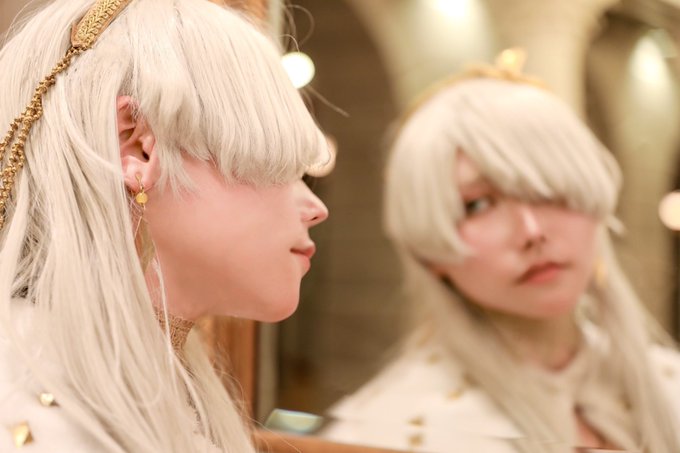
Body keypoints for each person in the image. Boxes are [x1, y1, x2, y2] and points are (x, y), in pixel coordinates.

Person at [0, 0, 328, 451]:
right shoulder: (41, 419)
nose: (315, 208)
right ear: (136, 147)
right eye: (277, 164)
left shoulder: (136, 393)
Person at [322, 58, 680, 453]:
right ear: (429, 252)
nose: (532, 231)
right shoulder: (384, 432)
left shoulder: (669, 384)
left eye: (547, 187)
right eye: (477, 205)